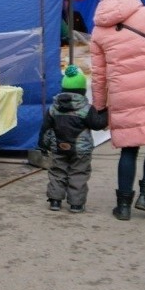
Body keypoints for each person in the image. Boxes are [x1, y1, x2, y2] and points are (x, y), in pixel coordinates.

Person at [90, 0, 145, 221]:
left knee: (128, 149)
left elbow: (98, 76)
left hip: (122, 96)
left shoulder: (99, 30)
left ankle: (123, 207)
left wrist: (99, 105)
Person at [38, 65, 108, 213]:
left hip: (58, 147)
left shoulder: (53, 108)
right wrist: (106, 112)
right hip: (81, 150)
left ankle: (55, 201)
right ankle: (76, 204)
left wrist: (43, 146)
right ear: (83, 91)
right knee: (79, 173)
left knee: (57, 172)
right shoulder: (86, 109)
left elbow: (45, 129)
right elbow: (98, 124)